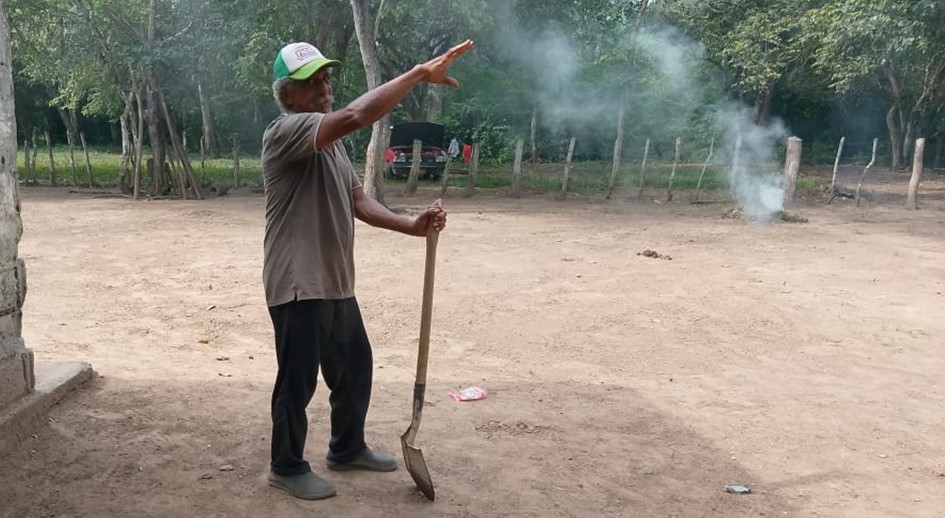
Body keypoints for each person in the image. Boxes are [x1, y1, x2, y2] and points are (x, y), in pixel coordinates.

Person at [262, 39, 474, 500]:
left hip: (335, 279)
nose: (324, 88)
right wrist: (418, 72)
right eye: (310, 82)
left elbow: (358, 201)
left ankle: (347, 446)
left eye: (325, 78)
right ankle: (286, 465)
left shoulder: (332, 148)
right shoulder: (286, 132)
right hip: (298, 282)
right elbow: (357, 116)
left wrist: (412, 226)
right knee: (296, 380)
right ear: (287, 95)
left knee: (355, 366)